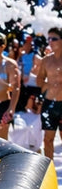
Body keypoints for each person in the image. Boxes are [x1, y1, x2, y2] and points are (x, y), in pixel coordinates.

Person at [33, 27, 62, 160]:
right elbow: (39, 80)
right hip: (50, 102)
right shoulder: (46, 60)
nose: (50, 41)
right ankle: (49, 169)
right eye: (48, 38)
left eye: (54, 38)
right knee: (48, 139)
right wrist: (47, 84)